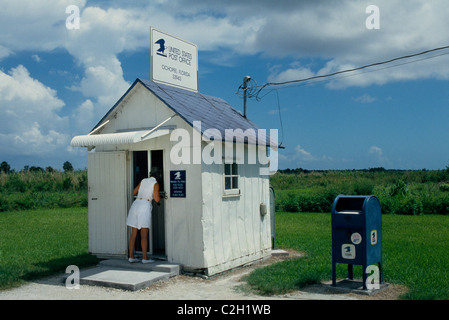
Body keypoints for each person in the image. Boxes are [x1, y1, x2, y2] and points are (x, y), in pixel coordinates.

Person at [126, 169, 161, 263]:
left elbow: (134, 192)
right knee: (144, 234)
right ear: (158, 177)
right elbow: (157, 199)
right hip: (145, 205)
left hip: (136, 204)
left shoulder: (143, 180)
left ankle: (131, 256)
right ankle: (145, 258)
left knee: (133, 234)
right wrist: (159, 197)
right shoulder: (155, 184)